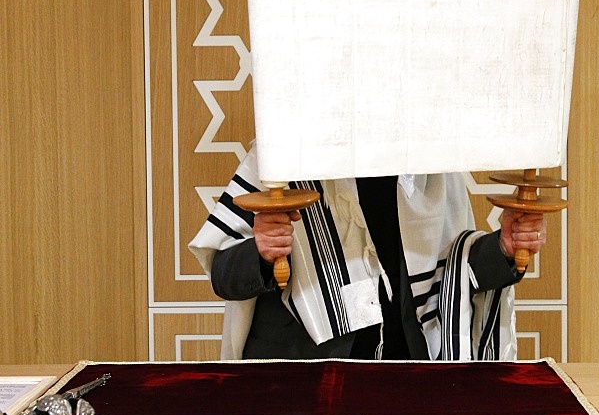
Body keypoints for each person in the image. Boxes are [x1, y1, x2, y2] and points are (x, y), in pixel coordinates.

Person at [189, 145, 546, 363]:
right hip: (302, 375)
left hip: (406, 373)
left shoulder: (430, 167)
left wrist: (504, 247)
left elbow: (455, 270)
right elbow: (223, 272)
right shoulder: (279, 159)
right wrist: (261, 252)